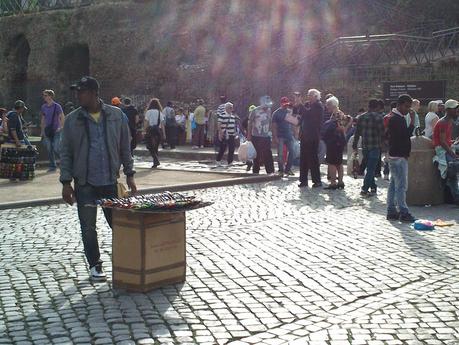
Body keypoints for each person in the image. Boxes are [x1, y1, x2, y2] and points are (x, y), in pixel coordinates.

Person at [60, 76, 137, 281]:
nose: (78, 95)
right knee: (88, 227)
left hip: (110, 182)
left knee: (119, 225)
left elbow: (124, 147)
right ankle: (95, 265)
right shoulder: (72, 119)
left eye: (82, 91)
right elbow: (66, 152)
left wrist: (130, 174)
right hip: (85, 183)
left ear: (94, 93)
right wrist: (66, 183)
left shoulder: (116, 115)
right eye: (77, 92)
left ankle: (126, 261)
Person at [386, 94, 416, 222]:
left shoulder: (396, 117)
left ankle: (391, 210)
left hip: (395, 154)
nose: (408, 109)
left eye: (409, 107)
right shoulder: (397, 119)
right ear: (399, 105)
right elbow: (405, 135)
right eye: (406, 106)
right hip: (399, 155)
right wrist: (413, 121)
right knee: (401, 186)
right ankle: (403, 211)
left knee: (393, 184)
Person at [353, 99, 385, 196]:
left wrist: (354, 144)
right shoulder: (379, 118)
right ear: (377, 107)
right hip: (375, 145)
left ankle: (373, 187)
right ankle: (365, 188)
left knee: (368, 167)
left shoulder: (361, 117)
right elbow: (382, 133)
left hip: (365, 146)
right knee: (371, 168)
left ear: (369, 106)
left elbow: (357, 132)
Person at [432, 99, 459, 203]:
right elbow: (442, 142)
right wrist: (453, 154)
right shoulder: (443, 122)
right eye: (455, 109)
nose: (457, 111)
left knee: (452, 174)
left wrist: (453, 141)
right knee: (453, 171)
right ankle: (455, 197)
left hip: (446, 147)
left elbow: (445, 140)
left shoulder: (448, 121)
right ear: (448, 110)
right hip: (442, 150)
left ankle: (452, 196)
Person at [297, 89, 323, 188]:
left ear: (316, 96)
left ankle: (317, 181)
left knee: (313, 159)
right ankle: (303, 181)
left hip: (313, 136)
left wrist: (301, 105)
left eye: (310, 95)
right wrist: (298, 105)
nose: (308, 97)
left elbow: (309, 114)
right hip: (304, 135)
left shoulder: (318, 106)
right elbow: (302, 116)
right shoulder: (307, 105)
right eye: (308, 95)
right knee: (303, 159)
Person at [322, 96, 349, 189]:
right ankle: (340, 182)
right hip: (340, 141)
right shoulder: (340, 113)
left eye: (327, 106)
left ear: (331, 105)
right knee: (339, 162)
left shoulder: (336, 114)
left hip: (334, 141)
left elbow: (340, 128)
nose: (326, 107)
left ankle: (333, 183)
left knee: (332, 162)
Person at [247, 96, 275, 174]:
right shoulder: (255, 111)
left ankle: (270, 171)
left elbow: (270, 122)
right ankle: (256, 171)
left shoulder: (269, 110)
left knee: (268, 154)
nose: (267, 107)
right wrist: (249, 135)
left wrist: (270, 132)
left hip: (266, 136)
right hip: (256, 136)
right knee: (256, 154)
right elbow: (249, 123)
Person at [40, 90, 65, 172]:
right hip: (47, 131)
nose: (44, 97)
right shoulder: (43, 107)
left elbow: (62, 117)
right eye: (43, 95)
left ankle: (64, 164)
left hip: (56, 130)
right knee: (49, 148)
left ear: (50, 96)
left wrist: (61, 127)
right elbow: (43, 119)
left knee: (56, 148)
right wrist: (42, 131)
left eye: (46, 95)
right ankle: (52, 166)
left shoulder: (57, 106)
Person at [272, 96, 296, 177]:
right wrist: (275, 137)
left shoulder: (289, 112)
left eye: (287, 103)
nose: (286, 105)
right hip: (280, 136)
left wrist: (295, 133)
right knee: (280, 154)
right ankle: (281, 170)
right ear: (281, 103)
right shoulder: (276, 113)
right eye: (284, 104)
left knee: (292, 152)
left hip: (289, 135)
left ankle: (288, 169)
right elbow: (274, 126)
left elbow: (293, 123)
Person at [144, 98, 165, 168]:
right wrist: (164, 134)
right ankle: (155, 162)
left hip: (150, 130)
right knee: (156, 147)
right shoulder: (160, 112)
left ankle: (156, 161)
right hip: (158, 131)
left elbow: (146, 122)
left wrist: (144, 130)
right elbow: (162, 124)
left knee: (150, 146)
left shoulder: (148, 112)